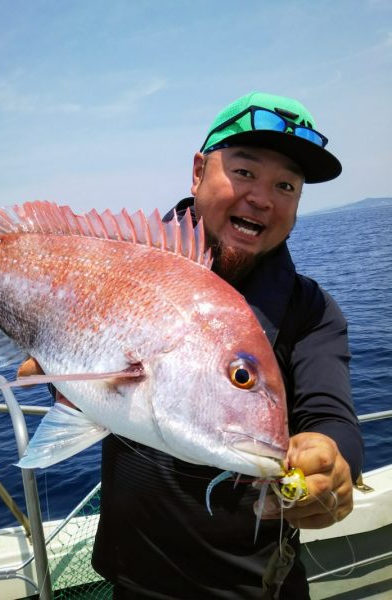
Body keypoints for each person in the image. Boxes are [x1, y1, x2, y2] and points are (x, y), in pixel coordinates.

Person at [19, 91, 364, 599]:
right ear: (198, 172)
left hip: (258, 588)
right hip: (132, 580)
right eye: (244, 172)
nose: (263, 197)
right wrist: (64, 376)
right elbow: (87, 374)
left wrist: (333, 462)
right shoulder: (122, 269)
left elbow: (331, 413)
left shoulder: (310, 310)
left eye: (286, 185)